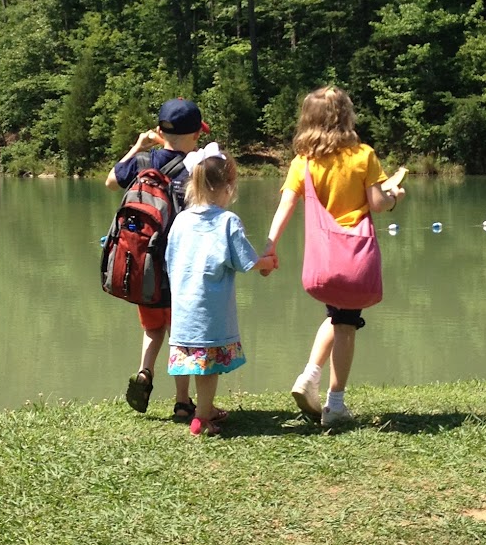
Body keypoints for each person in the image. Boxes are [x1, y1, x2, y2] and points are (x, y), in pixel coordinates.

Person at [262, 87, 406, 429]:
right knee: (346, 327)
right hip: (354, 258)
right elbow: (378, 204)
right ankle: (335, 404)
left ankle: (309, 377)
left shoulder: (303, 162)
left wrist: (270, 247)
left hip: (322, 262)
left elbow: (286, 205)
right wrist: (395, 196)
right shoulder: (363, 156)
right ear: (346, 117)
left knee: (337, 316)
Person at [106, 98, 208, 420]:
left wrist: (138, 146)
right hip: (181, 271)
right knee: (180, 335)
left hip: (143, 266)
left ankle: (144, 371)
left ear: (160, 132)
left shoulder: (142, 162)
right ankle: (182, 401)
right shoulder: (196, 169)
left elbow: (111, 181)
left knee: (153, 329)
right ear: (196, 135)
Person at [164, 145, 276, 436]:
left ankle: (205, 407)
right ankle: (202, 418)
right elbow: (246, 261)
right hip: (210, 308)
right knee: (208, 365)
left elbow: (169, 260)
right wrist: (267, 262)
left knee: (195, 359)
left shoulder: (180, 220)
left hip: (183, 305)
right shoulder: (227, 221)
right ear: (228, 187)